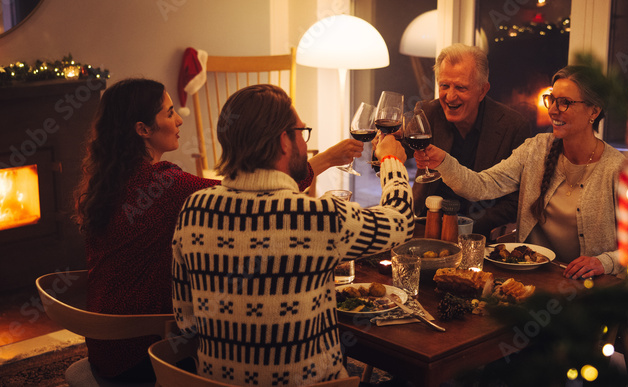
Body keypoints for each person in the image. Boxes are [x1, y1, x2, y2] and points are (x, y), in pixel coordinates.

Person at [73, 78, 363, 382]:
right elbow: (249, 195)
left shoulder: (105, 179)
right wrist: (327, 158)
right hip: (143, 354)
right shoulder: (164, 184)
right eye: (169, 113)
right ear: (142, 129)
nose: (179, 119)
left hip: (103, 348)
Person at [171, 84, 413, 385]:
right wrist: (392, 162)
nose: (304, 139)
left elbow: (186, 321)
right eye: (301, 131)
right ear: (283, 141)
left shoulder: (194, 208)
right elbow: (400, 222)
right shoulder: (316, 217)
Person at [416, 65, 628, 279]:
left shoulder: (616, 169)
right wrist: (443, 161)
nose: (553, 110)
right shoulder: (536, 149)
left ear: (593, 111)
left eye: (565, 102)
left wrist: (605, 262)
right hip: (531, 281)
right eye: (551, 99)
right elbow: (482, 185)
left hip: (586, 294)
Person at [410, 43, 532, 236]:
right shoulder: (428, 113)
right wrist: (384, 146)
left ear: (483, 91)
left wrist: (471, 226)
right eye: (444, 86)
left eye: (460, 87)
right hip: (426, 224)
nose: (450, 96)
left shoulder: (513, 126)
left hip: (480, 233)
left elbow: (518, 199)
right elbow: (399, 148)